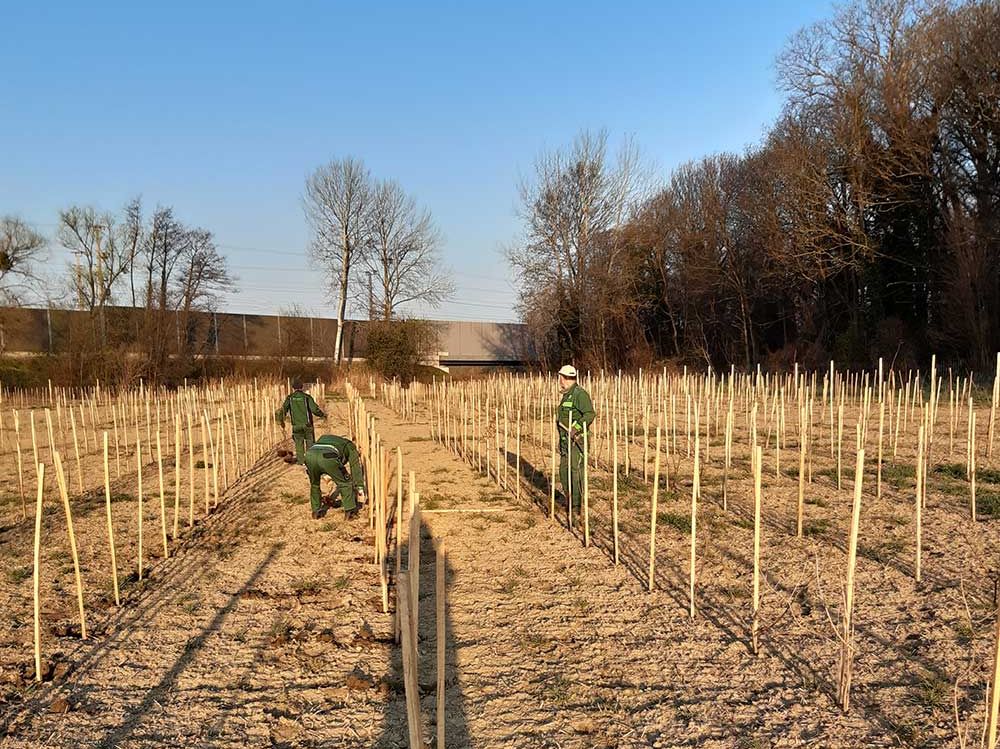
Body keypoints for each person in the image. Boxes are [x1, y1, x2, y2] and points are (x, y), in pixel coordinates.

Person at [555, 364, 595, 512]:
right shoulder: (567, 394)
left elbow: (590, 414)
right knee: (564, 471)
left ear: (565, 378)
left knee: (576, 471)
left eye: (561, 378)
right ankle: (569, 499)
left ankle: (577, 506)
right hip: (565, 441)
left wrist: (576, 428)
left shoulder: (580, 394)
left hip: (577, 440)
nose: (559, 381)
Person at [304, 434, 366, 520]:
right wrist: (359, 487)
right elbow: (355, 468)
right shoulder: (351, 446)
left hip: (309, 455)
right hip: (328, 458)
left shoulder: (324, 437)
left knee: (314, 484)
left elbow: (318, 456)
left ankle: (316, 511)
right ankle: (350, 511)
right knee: (345, 483)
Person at [276, 378, 326, 464]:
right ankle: (310, 461)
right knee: (310, 442)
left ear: (293, 387)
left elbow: (283, 410)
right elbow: (314, 409)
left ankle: (301, 461)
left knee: (299, 443)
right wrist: (322, 415)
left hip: (296, 425)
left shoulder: (290, 398)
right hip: (307, 424)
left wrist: (281, 420)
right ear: (302, 387)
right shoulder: (307, 397)